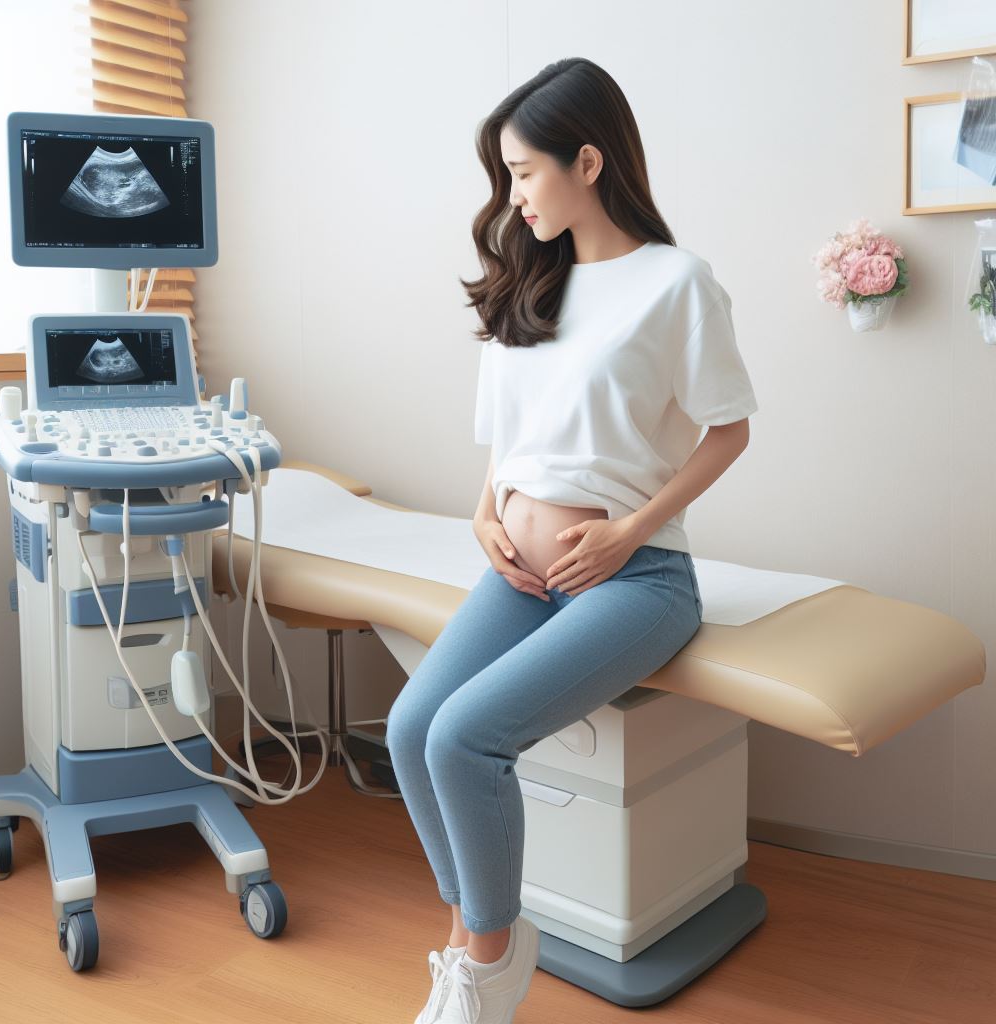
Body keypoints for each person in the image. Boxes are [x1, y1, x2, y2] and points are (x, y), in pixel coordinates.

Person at [386, 56, 758, 1024]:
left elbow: (729, 429)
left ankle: (489, 962)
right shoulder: (529, 279)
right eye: (504, 175)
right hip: (519, 574)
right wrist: (484, 511)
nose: (511, 194)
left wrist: (630, 530)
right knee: (408, 728)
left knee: (467, 739)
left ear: (587, 161)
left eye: (522, 171)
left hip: (636, 580)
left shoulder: (676, 284)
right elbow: (513, 444)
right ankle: (477, 940)